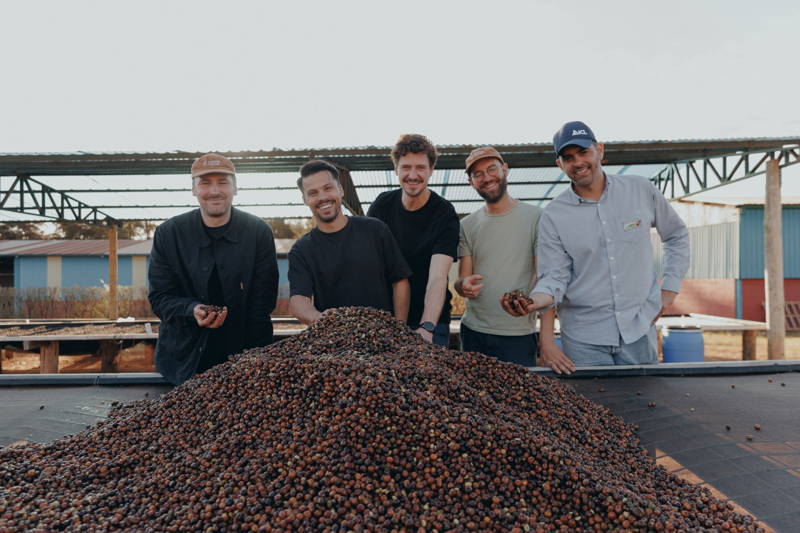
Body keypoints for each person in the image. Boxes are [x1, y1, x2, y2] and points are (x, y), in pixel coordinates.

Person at [504, 121, 690, 373]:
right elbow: (554, 277)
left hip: (639, 327)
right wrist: (532, 302)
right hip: (583, 340)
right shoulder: (554, 215)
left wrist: (669, 290)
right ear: (560, 164)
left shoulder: (640, 190)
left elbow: (677, 235)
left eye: (583, 152)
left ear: (599, 150)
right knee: (593, 400)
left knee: (644, 397)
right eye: (568, 158)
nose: (578, 162)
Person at [148, 153, 279, 385]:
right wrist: (192, 310)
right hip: (183, 360)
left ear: (235, 187)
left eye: (223, 182)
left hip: (245, 358)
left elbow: (263, 302)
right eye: (205, 183)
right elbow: (160, 297)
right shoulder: (169, 234)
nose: (214, 191)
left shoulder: (258, 232)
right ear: (194, 189)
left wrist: (255, 361)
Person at [288, 159, 412, 325]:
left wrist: (399, 328)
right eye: (313, 193)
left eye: (328, 188)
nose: (322, 197)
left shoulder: (375, 230)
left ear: (340, 190)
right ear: (305, 199)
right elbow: (298, 300)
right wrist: (320, 319)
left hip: (382, 334)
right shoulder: (302, 250)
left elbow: (400, 281)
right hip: (333, 337)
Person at [367, 134, 460, 346]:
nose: (413, 175)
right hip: (386, 320)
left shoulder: (444, 213)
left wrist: (427, 327)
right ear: (396, 169)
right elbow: (369, 265)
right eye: (406, 167)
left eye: (420, 168)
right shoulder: (382, 205)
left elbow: (438, 277)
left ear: (431, 170)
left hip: (431, 320)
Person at [454, 146, 543, 366]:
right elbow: (461, 279)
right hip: (474, 332)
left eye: (492, 169)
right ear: (471, 182)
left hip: (518, 333)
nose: (486, 178)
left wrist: (528, 302)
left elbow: (545, 274)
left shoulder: (536, 217)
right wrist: (463, 285)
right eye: (478, 174)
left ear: (505, 169)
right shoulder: (467, 225)